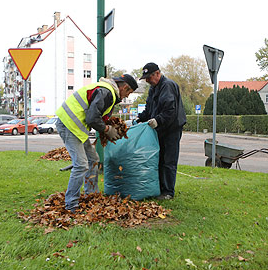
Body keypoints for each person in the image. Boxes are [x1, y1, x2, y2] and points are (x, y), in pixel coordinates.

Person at [56, 74, 138, 212]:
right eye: (128, 92)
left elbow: (97, 116)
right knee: (81, 165)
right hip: (68, 124)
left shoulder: (106, 91)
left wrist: (108, 126)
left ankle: (91, 195)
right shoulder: (107, 92)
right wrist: (107, 129)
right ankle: (71, 205)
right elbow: (92, 118)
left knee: (93, 159)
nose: (127, 96)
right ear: (124, 87)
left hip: (75, 127)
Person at [136, 62, 186, 200]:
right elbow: (149, 109)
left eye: (149, 77)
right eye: (145, 78)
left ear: (157, 74)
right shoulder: (153, 88)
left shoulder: (167, 85)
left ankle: (168, 192)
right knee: (159, 159)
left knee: (168, 160)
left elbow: (170, 110)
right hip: (161, 129)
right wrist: (139, 119)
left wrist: (158, 120)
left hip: (172, 129)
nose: (147, 80)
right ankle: (160, 188)